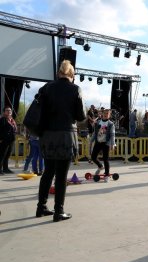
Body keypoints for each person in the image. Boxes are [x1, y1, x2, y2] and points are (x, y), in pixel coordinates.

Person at [37, 60, 86, 222]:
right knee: (61, 176)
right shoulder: (75, 89)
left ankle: (41, 207)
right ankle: (59, 211)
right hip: (65, 136)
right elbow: (81, 116)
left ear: (59, 73)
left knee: (47, 173)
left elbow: (40, 112)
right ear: (71, 75)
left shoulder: (46, 88)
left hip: (48, 136)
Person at [91, 109, 116, 182]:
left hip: (106, 143)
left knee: (105, 159)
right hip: (98, 142)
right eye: (105, 113)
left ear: (109, 115)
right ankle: (100, 166)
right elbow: (95, 133)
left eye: (107, 113)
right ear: (102, 114)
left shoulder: (110, 124)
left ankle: (107, 174)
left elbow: (112, 134)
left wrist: (113, 144)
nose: (106, 114)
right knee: (93, 157)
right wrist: (91, 140)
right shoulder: (98, 122)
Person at [0, 106, 17, 175]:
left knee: (7, 155)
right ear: (4, 112)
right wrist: (0, 139)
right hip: (4, 140)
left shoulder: (12, 120)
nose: (9, 111)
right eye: (7, 110)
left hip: (11, 140)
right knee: (2, 155)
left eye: (10, 110)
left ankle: (6, 168)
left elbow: (14, 129)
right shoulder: (2, 120)